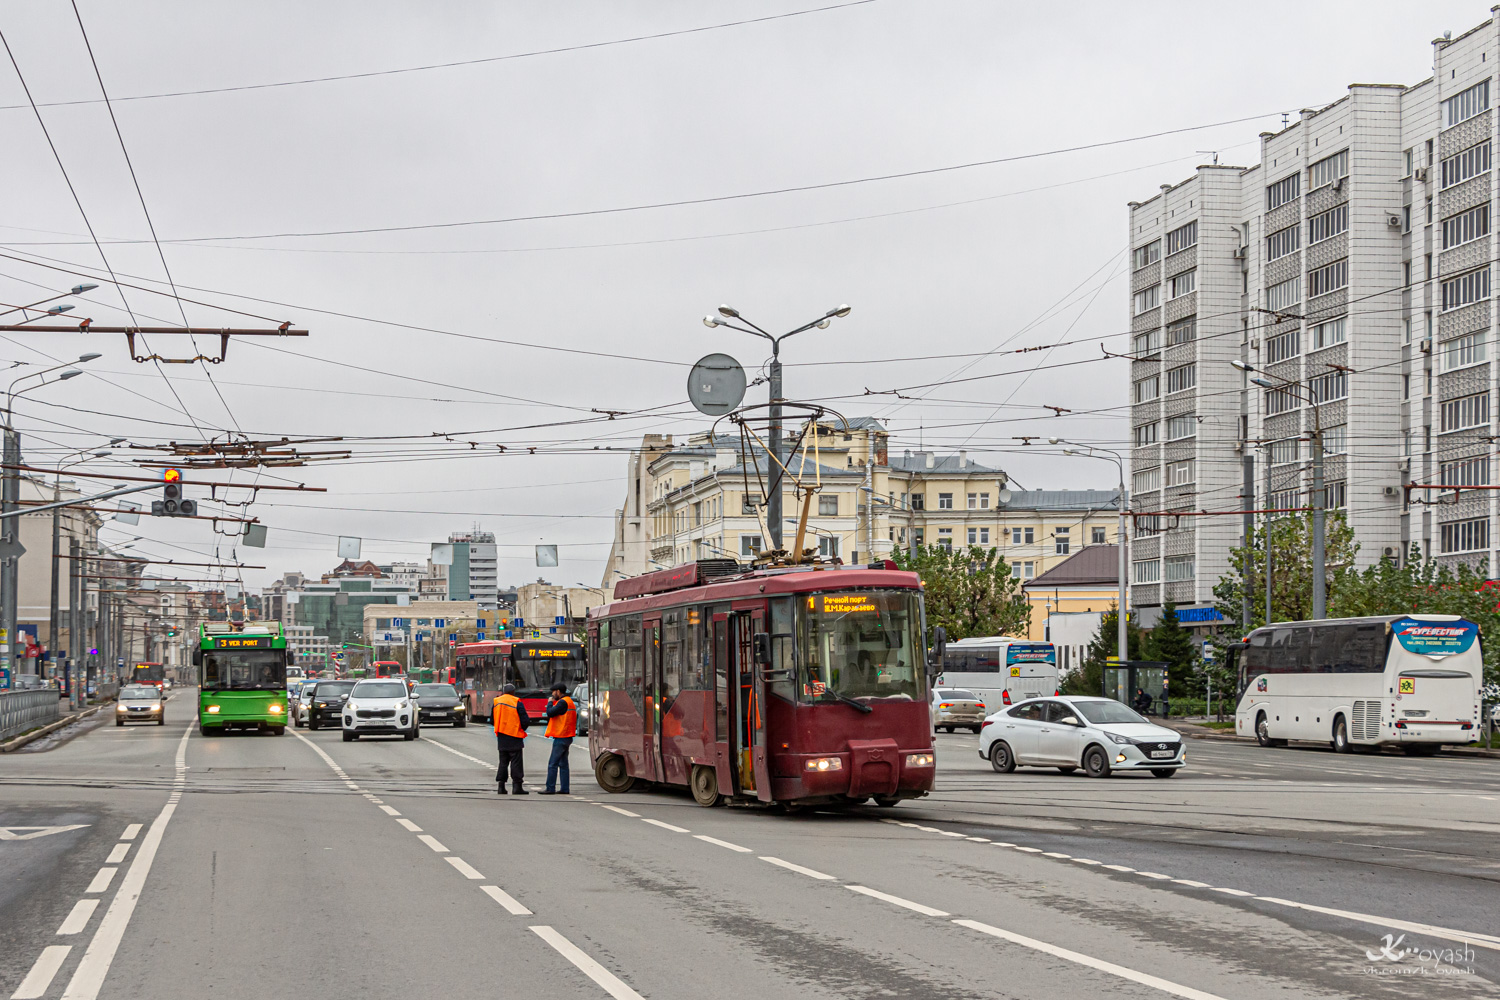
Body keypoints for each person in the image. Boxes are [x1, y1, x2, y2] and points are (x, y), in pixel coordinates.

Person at [540, 682, 577, 795]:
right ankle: (565, 788)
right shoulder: (569, 702)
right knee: (563, 764)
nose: (552, 694)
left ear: (558, 691)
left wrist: (550, 703)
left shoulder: (562, 703)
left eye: (553, 691)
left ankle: (550, 788)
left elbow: (550, 713)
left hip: (561, 736)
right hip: (567, 736)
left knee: (553, 763)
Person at [492, 683, 530, 795]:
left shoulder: (496, 702)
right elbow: (525, 720)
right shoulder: (516, 701)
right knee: (516, 762)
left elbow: (492, 719)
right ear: (513, 692)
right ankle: (517, 787)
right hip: (514, 736)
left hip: (502, 737)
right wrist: (521, 728)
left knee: (503, 762)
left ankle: (501, 787)